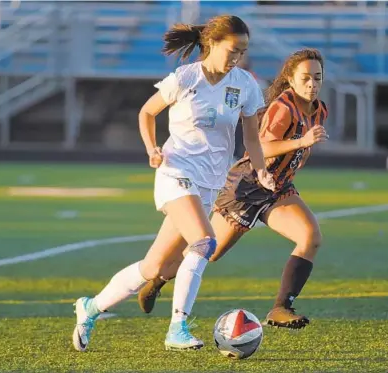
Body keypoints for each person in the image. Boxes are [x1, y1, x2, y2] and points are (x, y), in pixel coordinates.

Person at [72, 15, 275, 353]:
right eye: (232, 50)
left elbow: (251, 137)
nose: (237, 58)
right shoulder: (185, 77)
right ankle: (178, 327)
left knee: (155, 266)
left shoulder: (245, 84)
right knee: (204, 241)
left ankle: (89, 308)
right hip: (176, 170)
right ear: (211, 44)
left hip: (210, 182)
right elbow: (146, 113)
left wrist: (262, 170)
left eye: (242, 52)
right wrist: (152, 148)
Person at [138, 48, 329, 330]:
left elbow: (298, 151)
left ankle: (280, 307)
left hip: (277, 188)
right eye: (305, 78)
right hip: (247, 186)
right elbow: (262, 148)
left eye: (317, 77)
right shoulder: (282, 107)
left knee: (311, 237)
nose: (312, 84)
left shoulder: (319, 110)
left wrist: (295, 160)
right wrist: (301, 143)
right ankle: (157, 279)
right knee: (208, 252)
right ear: (290, 78)